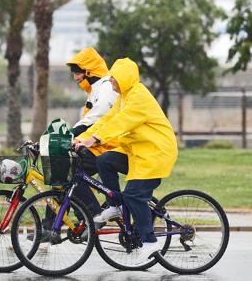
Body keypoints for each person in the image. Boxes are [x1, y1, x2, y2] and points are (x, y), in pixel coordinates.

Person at [75, 57, 178, 261]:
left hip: (155, 153)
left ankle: (149, 242)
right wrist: (81, 138)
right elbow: (108, 119)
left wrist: (95, 139)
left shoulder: (138, 96)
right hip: (137, 151)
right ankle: (115, 204)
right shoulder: (124, 96)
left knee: (134, 195)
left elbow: (121, 123)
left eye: (114, 78)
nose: (111, 82)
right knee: (104, 160)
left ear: (124, 78)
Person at [35, 47, 118, 241]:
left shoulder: (106, 85)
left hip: (107, 147)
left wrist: (72, 134)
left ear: (89, 71)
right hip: (94, 145)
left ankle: (92, 217)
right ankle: (50, 228)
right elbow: (88, 120)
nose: (75, 77)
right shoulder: (95, 90)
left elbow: (97, 116)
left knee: (69, 172)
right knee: (61, 174)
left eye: (77, 72)